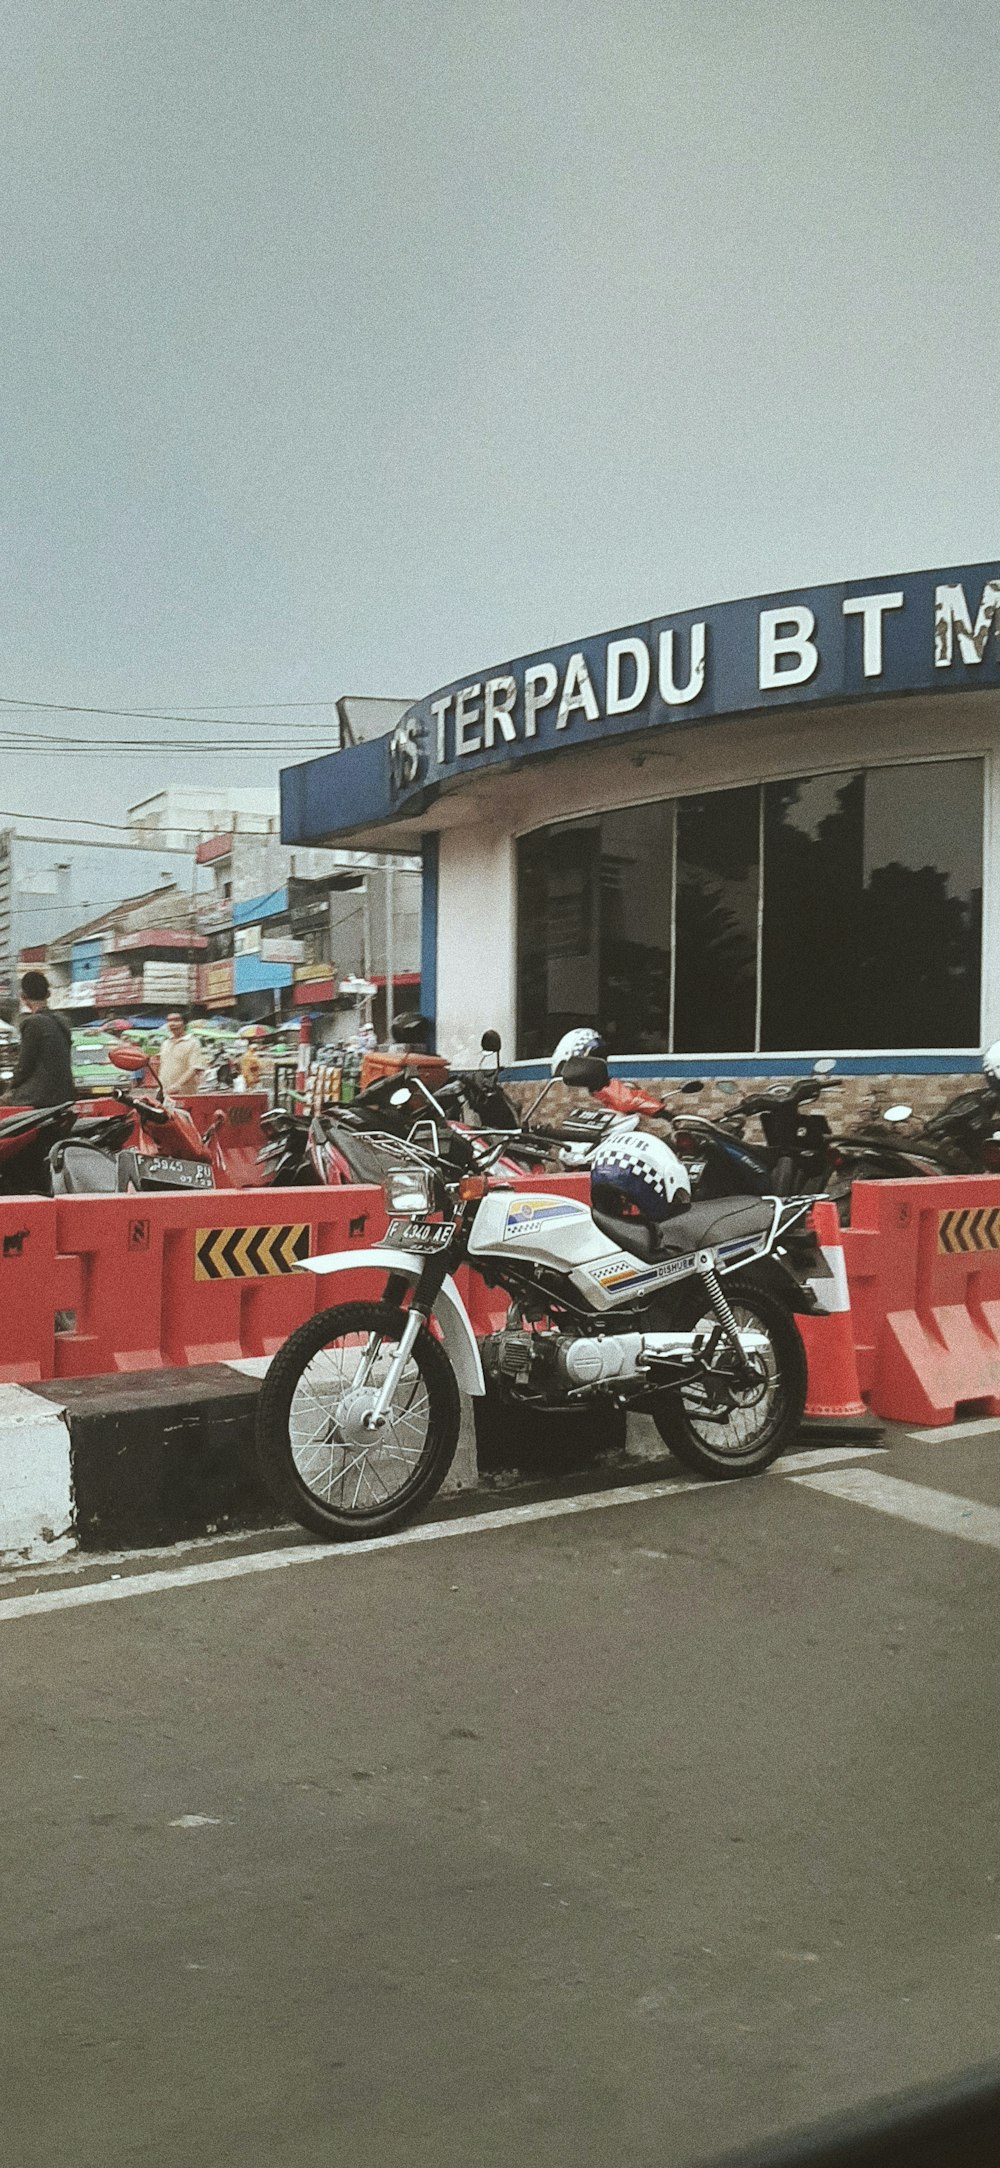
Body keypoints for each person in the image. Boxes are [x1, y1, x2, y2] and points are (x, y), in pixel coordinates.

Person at [2, 972, 75, 1106]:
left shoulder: (32, 1023)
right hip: (66, 1092)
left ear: (23, 997)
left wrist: (10, 1088)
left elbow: (24, 1066)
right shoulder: (63, 1021)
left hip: (40, 1096)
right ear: (48, 994)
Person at [158, 1010, 208, 1097]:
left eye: (176, 1020)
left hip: (185, 1093)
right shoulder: (165, 1043)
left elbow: (195, 1068)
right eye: (169, 1021)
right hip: (164, 1092)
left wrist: (178, 1085)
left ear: (184, 1023)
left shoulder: (193, 1042)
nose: (172, 1024)